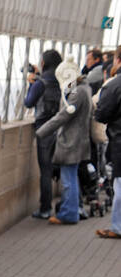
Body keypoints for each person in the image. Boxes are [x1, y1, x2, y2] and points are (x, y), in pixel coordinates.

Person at [37, 58, 91, 225]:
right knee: (71, 178)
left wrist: (42, 131)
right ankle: (72, 210)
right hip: (78, 139)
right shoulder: (84, 88)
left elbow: (64, 114)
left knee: (68, 180)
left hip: (71, 141)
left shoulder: (77, 91)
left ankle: (69, 213)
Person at [25, 48, 64, 219]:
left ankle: (45, 208)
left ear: (43, 63)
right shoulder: (64, 81)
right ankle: (70, 205)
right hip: (61, 129)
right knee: (66, 170)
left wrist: (31, 83)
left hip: (44, 130)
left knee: (46, 171)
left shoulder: (41, 83)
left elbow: (28, 103)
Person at [94, 51, 121, 240]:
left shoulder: (114, 86)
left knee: (120, 186)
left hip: (119, 141)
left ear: (118, 60)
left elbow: (101, 114)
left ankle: (117, 227)